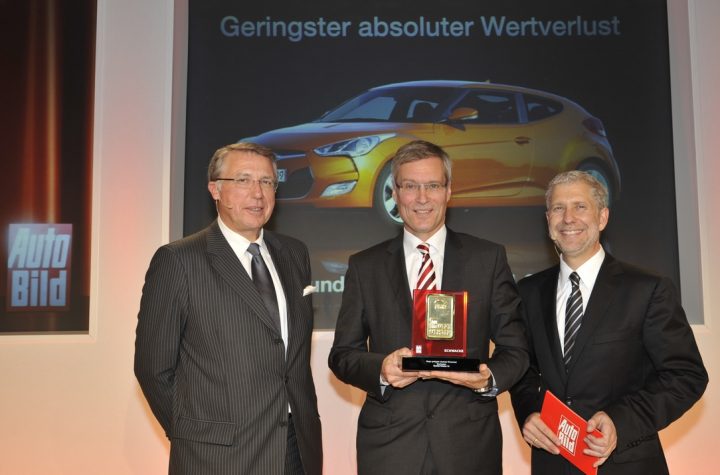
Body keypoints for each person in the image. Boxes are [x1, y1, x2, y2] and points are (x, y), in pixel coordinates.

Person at [328, 140, 529, 475]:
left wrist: (486, 379)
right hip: (390, 448)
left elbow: (516, 349)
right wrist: (382, 370)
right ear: (395, 193)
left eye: (433, 185)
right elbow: (342, 355)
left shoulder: (488, 259)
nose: (422, 198)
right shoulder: (365, 266)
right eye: (410, 186)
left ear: (449, 191)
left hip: (468, 445)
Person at [134, 142, 322, 475]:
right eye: (243, 180)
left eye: (267, 182)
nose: (258, 193)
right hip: (217, 458)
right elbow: (153, 368)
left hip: (294, 450)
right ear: (215, 190)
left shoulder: (294, 254)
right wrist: (194, 435)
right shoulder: (179, 260)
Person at [510, 170, 708, 474]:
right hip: (552, 463)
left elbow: (686, 376)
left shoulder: (647, 289)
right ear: (548, 220)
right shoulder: (528, 292)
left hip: (625, 464)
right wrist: (529, 412)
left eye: (580, 206)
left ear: (602, 217)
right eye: (559, 208)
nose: (568, 218)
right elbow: (522, 369)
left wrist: (621, 421)